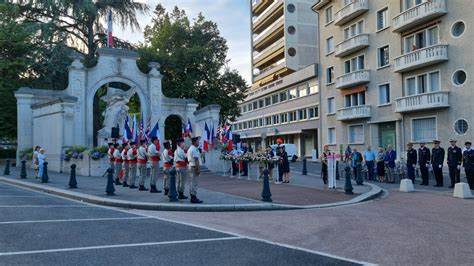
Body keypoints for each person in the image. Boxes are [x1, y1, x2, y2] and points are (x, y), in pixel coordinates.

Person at [187, 137, 203, 203]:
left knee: (192, 182)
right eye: (197, 141)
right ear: (194, 142)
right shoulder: (194, 149)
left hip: (191, 166)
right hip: (194, 167)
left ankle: (192, 196)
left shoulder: (191, 148)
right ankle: (193, 197)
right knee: (194, 183)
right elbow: (196, 159)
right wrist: (198, 169)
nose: (198, 142)